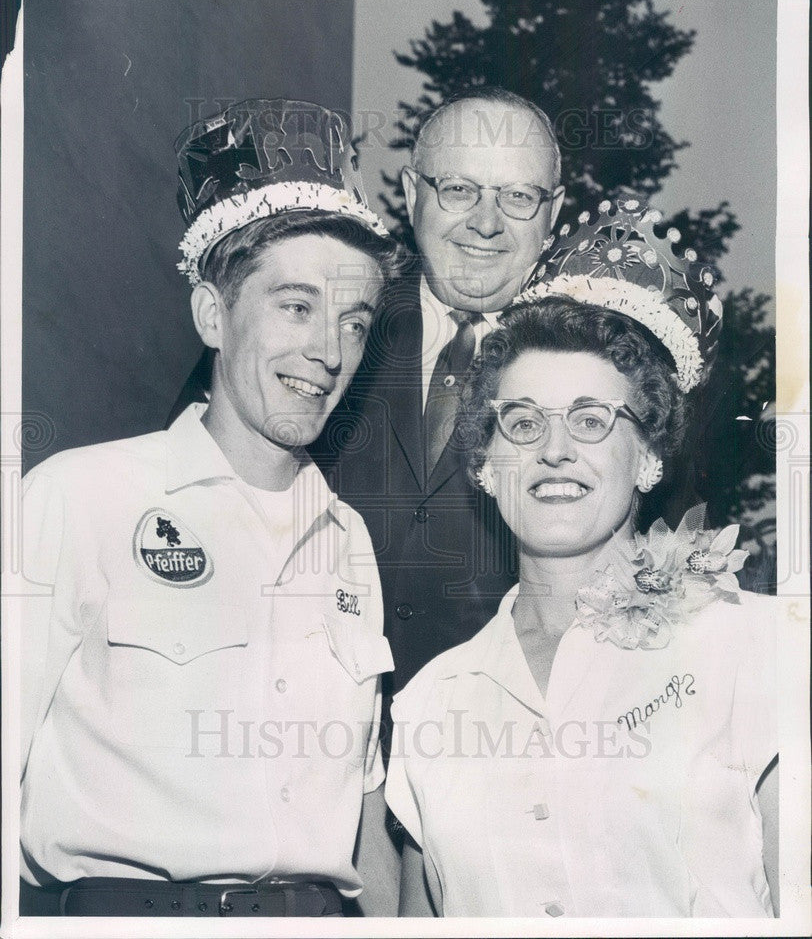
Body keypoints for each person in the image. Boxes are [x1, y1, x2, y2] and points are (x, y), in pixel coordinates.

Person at [19, 98, 402, 917]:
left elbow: (364, 809)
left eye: (354, 322)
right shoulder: (80, 498)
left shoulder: (349, 543)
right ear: (212, 314)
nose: (329, 353)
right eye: (295, 307)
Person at [385, 196, 778, 917]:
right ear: (482, 461)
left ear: (650, 456)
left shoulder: (754, 647)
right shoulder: (430, 705)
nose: (554, 450)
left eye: (593, 420)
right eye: (523, 421)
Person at [314, 87, 566, 704]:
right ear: (410, 192)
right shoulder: (322, 314)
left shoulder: (593, 365)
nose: (486, 222)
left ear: (552, 214)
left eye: (518, 197)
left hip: (499, 750)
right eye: (458, 189)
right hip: (309, 737)